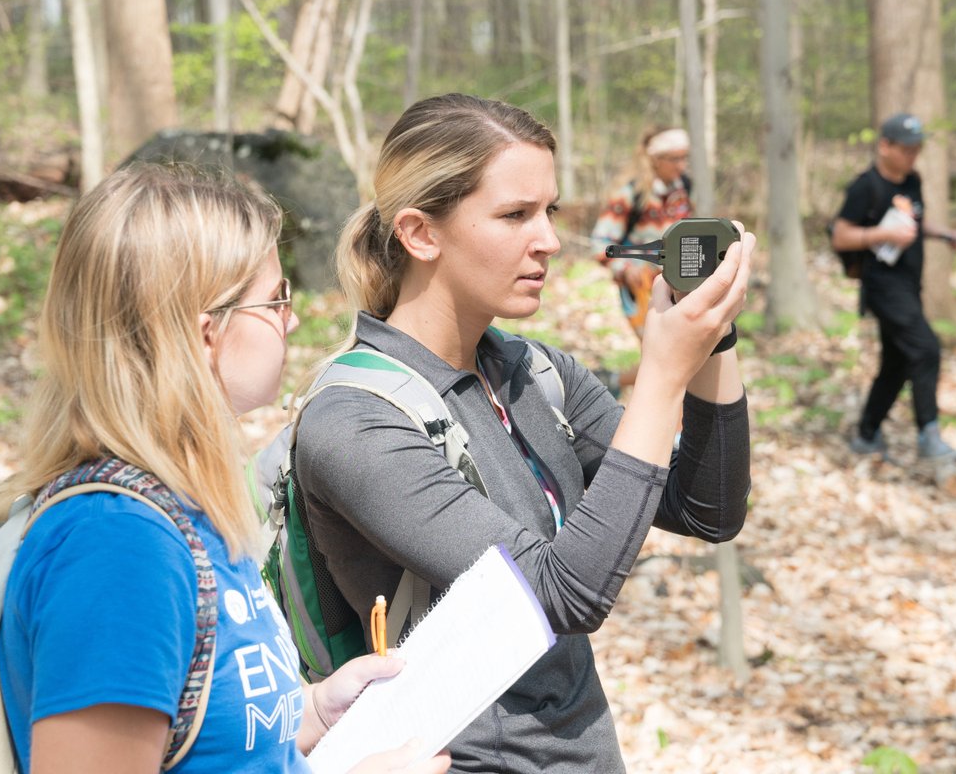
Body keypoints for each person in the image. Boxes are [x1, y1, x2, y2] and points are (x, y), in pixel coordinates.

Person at [292, 93, 753, 773]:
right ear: (421, 234)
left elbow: (707, 507)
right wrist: (660, 377)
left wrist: (715, 334)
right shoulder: (354, 421)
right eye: (515, 215)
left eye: (549, 211)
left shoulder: (534, 373)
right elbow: (560, 594)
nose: (549, 240)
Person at [0, 163, 452, 774]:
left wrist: (313, 710)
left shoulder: (183, 507)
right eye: (276, 299)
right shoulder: (117, 544)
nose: (291, 318)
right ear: (205, 334)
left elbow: (206, 735)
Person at [832, 112, 956, 461]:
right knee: (926, 349)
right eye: (907, 148)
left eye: (917, 148)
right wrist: (883, 234)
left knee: (896, 363)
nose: (913, 155)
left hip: (909, 285)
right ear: (885, 146)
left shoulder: (912, 181)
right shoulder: (865, 186)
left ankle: (867, 435)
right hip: (883, 287)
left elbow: (915, 223)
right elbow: (840, 235)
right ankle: (929, 435)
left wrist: (946, 235)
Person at [589, 126, 694, 395]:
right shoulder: (632, 193)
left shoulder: (682, 189)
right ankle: (608, 385)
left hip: (676, 287)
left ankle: (610, 381)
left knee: (680, 357)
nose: (682, 165)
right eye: (675, 159)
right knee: (666, 357)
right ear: (656, 159)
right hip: (641, 290)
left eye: (685, 157)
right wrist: (624, 268)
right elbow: (601, 242)